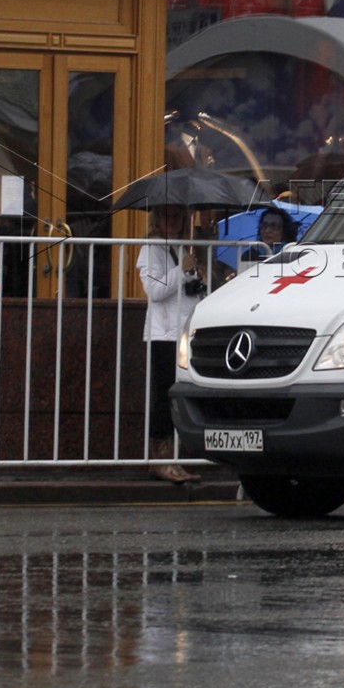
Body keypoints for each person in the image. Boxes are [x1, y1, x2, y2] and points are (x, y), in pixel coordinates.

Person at [138, 204, 204, 484]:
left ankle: (176, 456)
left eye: (177, 216)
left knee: (180, 395)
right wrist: (181, 271)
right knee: (164, 396)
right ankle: (161, 459)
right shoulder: (151, 249)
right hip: (163, 333)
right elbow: (154, 290)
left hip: (184, 332)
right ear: (157, 219)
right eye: (166, 216)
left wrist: (196, 277)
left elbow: (186, 292)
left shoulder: (180, 248)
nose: (172, 221)